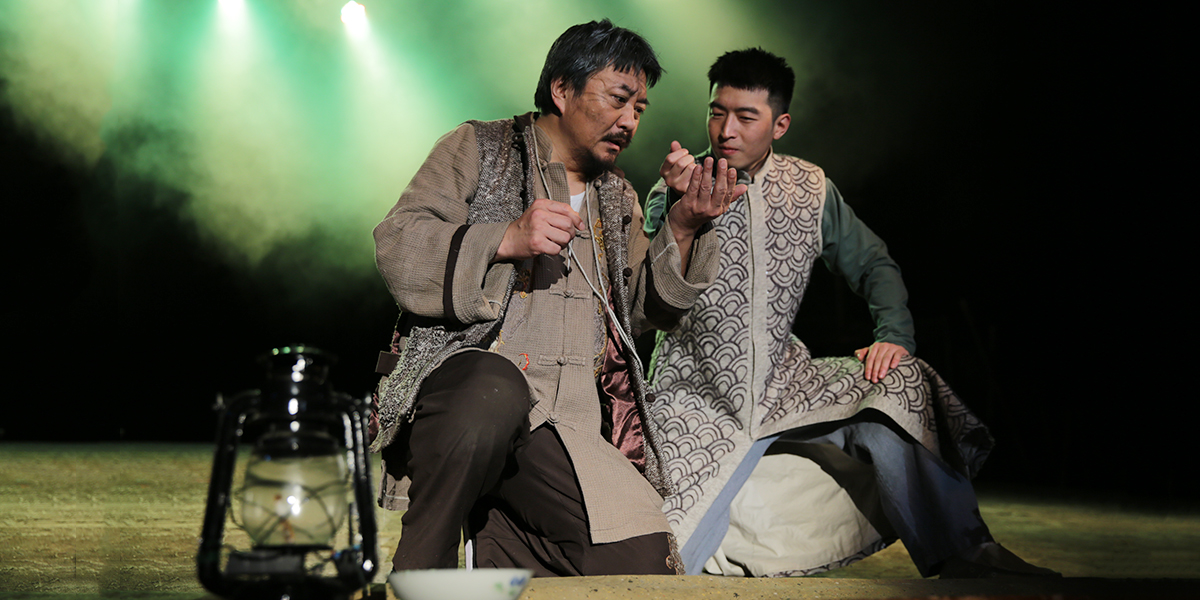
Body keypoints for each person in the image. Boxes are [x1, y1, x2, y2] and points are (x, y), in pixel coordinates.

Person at [644, 48, 1058, 579]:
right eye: (717, 112)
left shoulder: (810, 188)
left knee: (900, 381)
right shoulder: (677, 187)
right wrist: (674, 210)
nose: (726, 130)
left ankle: (964, 550)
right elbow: (643, 292)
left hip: (782, 383)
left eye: (745, 116)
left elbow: (873, 263)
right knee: (671, 554)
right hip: (691, 395)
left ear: (780, 124)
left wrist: (895, 336)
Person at [369, 20, 744, 577]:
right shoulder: (479, 147)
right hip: (470, 391)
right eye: (618, 98)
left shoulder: (615, 197)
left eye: (640, 107)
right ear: (562, 89)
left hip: (565, 423)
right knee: (492, 393)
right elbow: (398, 243)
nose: (630, 121)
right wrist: (504, 238)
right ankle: (422, 567)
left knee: (647, 562)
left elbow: (644, 311)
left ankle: (500, 537)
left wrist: (685, 226)